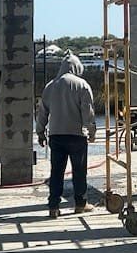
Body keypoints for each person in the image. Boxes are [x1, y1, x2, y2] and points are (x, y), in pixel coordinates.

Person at [36, 52, 98, 218]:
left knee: (56, 172)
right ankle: (80, 204)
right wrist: (91, 132)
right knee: (79, 171)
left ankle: (53, 207)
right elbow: (88, 112)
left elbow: (42, 112)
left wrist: (40, 132)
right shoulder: (82, 84)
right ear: (77, 67)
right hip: (77, 135)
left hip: (56, 136)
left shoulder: (50, 86)